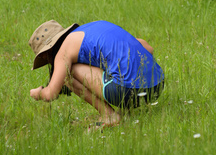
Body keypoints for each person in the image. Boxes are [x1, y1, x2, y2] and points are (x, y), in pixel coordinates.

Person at [29, 20, 164, 127]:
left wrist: (37, 93)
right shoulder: (94, 29)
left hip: (128, 92)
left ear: (47, 54)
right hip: (157, 86)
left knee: (68, 75)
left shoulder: (63, 51)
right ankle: (125, 109)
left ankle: (109, 116)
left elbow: (50, 94)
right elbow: (148, 48)